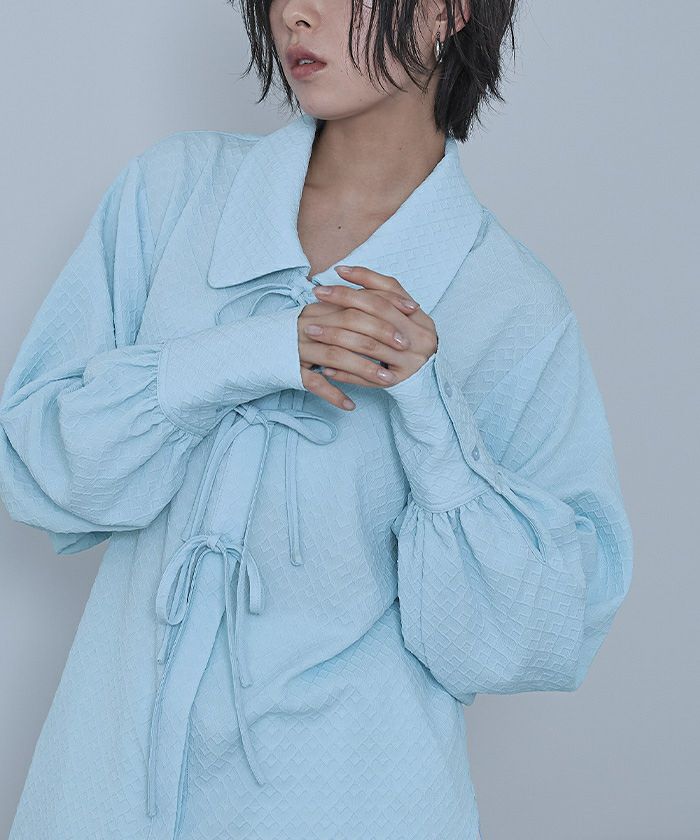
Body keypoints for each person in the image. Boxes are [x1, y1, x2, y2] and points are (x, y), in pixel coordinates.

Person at [0, 0, 634, 837]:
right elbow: (42, 473)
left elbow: (525, 638)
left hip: (354, 796)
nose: (296, 14)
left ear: (447, 12)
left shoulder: (510, 301)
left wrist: (432, 414)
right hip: (110, 783)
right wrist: (242, 354)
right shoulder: (175, 194)